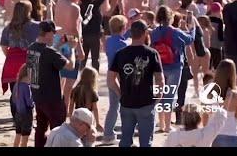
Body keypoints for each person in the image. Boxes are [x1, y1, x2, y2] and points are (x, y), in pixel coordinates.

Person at [108, 20, 165, 148]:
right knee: (146, 143)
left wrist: (120, 93)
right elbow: (160, 79)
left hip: (127, 102)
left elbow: (110, 79)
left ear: (131, 33)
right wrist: (158, 97)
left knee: (125, 141)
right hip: (146, 103)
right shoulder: (152, 53)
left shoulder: (120, 54)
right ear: (145, 33)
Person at [26, 20, 74, 147]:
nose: (55, 35)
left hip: (38, 95)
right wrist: (72, 50)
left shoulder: (31, 48)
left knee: (41, 127)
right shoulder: (50, 52)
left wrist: (58, 45)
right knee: (57, 129)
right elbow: (70, 66)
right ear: (47, 34)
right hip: (52, 98)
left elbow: (45, 57)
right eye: (54, 33)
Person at [150, 6, 195, 133]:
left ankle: (162, 123)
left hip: (159, 67)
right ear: (170, 17)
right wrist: (192, 28)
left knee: (159, 94)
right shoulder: (175, 32)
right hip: (175, 66)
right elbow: (190, 40)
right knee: (170, 95)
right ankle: (168, 125)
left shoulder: (154, 32)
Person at [102, 15, 130, 143]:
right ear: (123, 27)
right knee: (122, 106)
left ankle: (108, 133)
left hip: (110, 75)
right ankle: (110, 134)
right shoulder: (123, 44)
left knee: (113, 106)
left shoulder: (108, 41)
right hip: (120, 77)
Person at [209, 59, 237, 147]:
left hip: (215, 134)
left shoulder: (209, 93)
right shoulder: (236, 96)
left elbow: (206, 115)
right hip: (231, 134)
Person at [163, 104, 227, 147]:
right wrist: (205, 108)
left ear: (183, 118)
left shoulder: (173, 136)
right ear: (200, 119)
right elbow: (222, 113)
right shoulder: (206, 134)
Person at [69, 67, 102, 132]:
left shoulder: (75, 89)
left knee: (77, 133)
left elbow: (71, 104)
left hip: (77, 115)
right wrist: (98, 123)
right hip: (88, 117)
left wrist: (70, 116)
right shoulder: (92, 92)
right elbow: (95, 108)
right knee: (87, 134)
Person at [11, 64, 33, 147]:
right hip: (26, 114)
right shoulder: (26, 87)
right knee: (25, 138)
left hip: (18, 113)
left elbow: (13, 100)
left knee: (18, 135)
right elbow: (29, 102)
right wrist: (34, 103)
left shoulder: (16, 85)